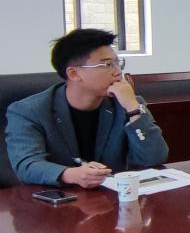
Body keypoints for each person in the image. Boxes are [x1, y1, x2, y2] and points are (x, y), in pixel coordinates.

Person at [6, 28, 168, 188]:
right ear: (74, 74)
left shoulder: (127, 104)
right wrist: (71, 174)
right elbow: (26, 165)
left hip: (112, 196)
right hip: (57, 197)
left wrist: (133, 108)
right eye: (107, 64)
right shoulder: (29, 111)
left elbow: (154, 157)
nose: (118, 72)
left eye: (118, 63)